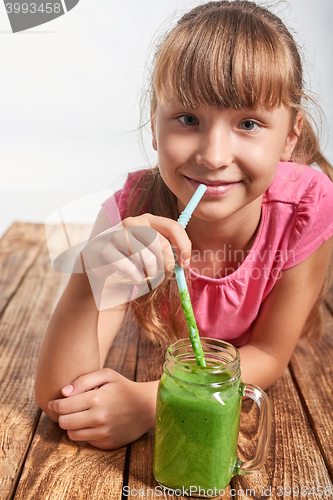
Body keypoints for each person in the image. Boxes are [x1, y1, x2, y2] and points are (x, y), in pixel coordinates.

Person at [35, 0, 333, 450]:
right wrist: (88, 275)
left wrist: (153, 402)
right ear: (155, 126)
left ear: (290, 136)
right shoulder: (128, 219)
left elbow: (270, 354)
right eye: (188, 119)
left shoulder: (308, 206)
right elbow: (63, 396)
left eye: (248, 123)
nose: (213, 156)